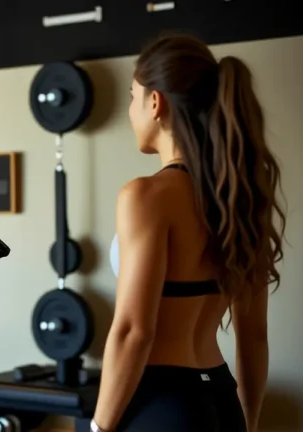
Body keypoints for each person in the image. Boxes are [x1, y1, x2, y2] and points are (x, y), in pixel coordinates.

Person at [91, 33, 286, 432]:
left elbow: (134, 331)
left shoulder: (146, 195)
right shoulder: (241, 199)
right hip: (219, 396)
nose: (130, 110)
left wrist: (99, 428)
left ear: (155, 102)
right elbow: (255, 338)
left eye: (132, 96)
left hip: (162, 402)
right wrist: (246, 422)